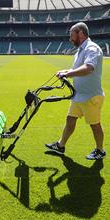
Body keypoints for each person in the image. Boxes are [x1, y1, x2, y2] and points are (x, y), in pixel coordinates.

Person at [45, 22, 106, 160]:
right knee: (70, 119)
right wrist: (65, 71)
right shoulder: (80, 50)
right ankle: (60, 146)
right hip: (79, 95)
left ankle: (100, 150)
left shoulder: (92, 48)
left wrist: (68, 75)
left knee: (95, 125)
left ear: (81, 34)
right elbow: (77, 69)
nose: (70, 38)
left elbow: (88, 68)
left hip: (91, 96)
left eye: (71, 35)